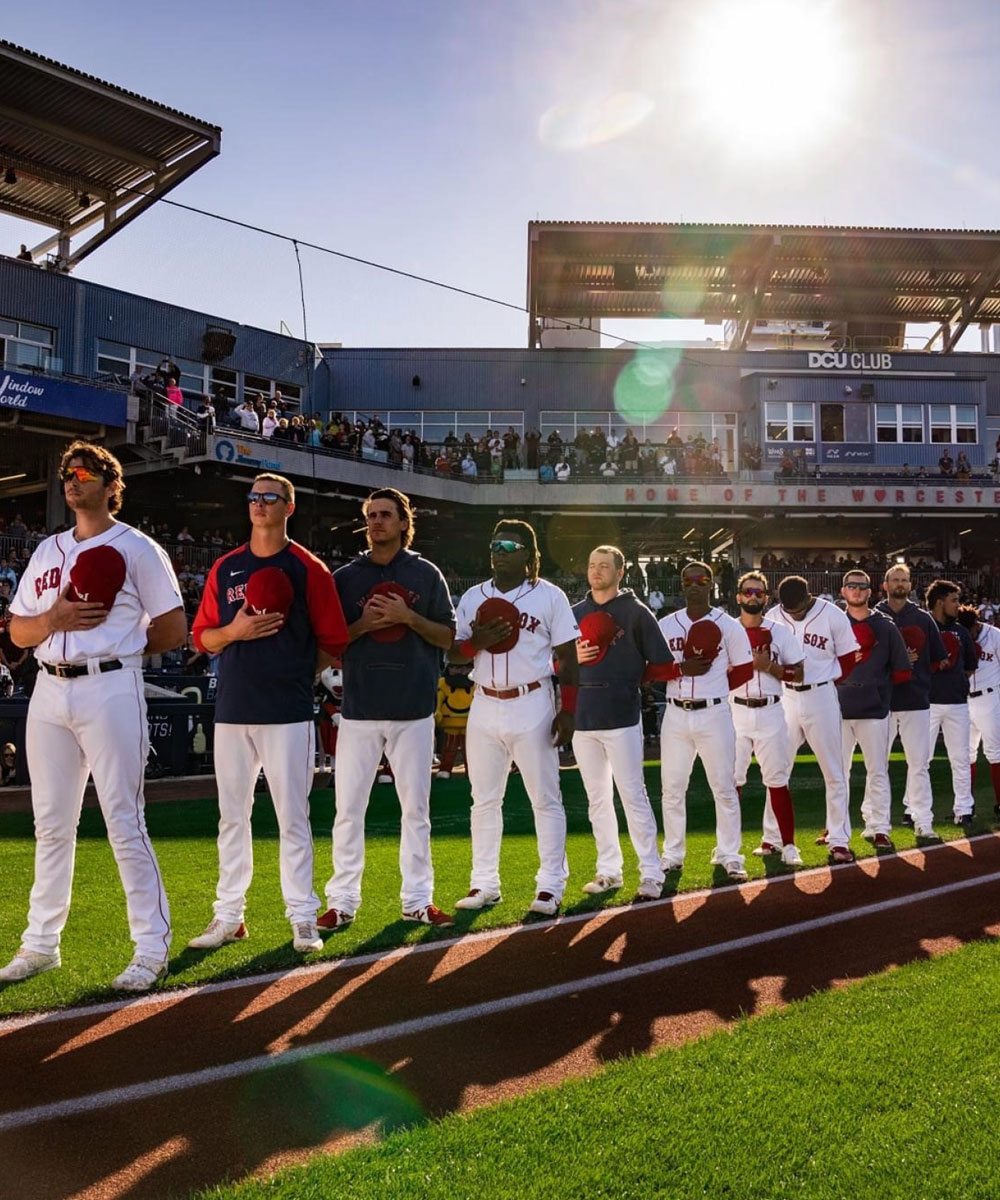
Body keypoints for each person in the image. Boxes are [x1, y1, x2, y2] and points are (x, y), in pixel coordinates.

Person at [0, 441, 186, 991]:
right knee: (51, 826)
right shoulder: (46, 549)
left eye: (83, 473)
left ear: (111, 485)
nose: (71, 480)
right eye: (66, 474)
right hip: (49, 690)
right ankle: (40, 945)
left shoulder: (138, 547)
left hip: (110, 685)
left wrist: (123, 644)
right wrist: (54, 617)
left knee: (124, 822)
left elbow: (174, 629)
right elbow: (16, 632)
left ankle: (151, 948)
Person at [188, 473, 349, 954]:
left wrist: (298, 675)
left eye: (269, 498)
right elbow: (203, 638)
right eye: (253, 497)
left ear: (289, 506)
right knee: (231, 817)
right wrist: (235, 631)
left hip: (288, 711)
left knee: (292, 818)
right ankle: (229, 917)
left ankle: (302, 916)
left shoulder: (308, 568)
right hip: (233, 709)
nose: (259, 505)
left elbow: (334, 641)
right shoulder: (226, 567)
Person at [319, 488, 457, 929]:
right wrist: (366, 623)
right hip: (358, 708)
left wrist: (408, 617)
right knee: (348, 810)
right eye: (371, 515)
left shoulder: (426, 574)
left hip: (413, 707)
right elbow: (330, 641)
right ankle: (342, 902)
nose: (376, 521)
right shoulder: (345, 577)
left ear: (403, 522)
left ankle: (417, 899)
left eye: (385, 515)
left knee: (416, 810)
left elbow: (448, 638)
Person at [451, 520, 579, 916]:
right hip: (484, 703)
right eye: (495, 544)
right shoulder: (474, 596)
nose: (499, 551)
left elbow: (569, 658)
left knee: (544, 798)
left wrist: (568, 710)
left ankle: (551, 885)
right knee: (484, 800)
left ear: (528, 553)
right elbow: (455, 654)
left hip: (532, 700)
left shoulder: (549, 596)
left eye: (508, 545)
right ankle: (485, 883)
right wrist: (477, 642)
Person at [572, 545, 673, 900]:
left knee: (633, 795)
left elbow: (663, 664)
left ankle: (651, 872)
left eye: (604, 565)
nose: (596, 570)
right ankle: (608, 871)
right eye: (591, 564)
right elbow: (552, 665)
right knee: (597, 798)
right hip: (582, 718)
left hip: (622, 716)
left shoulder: (636, 612)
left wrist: (634, 680)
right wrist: (570, 658)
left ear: (620, 571)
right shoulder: (573, 613)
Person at [654, 562, 754, 880]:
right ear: (681, 585)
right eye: (689, 580)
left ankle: (730, 854)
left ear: (711, 584)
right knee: (671, 789)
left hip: (714, 713)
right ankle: (672, 855)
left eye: (702, 579)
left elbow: (745, 669)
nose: (695, 584)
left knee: (724, 788)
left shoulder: (729, 625)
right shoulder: (666, 624)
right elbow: (650, 671)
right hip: (675, 713)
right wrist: (681, 670)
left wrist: (716, 688)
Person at [770, 575, 860, 864]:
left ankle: (838, 840)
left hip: (821, 696)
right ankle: (772, 838)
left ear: (809, 596)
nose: (793, 613)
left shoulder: (832, 614)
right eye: (789, 608)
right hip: (786, 697)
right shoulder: (773, 616)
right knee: (777, 770)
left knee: (834, 771)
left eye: (797, 607)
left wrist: (824, 681)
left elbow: (847, 660)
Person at [731, 572, 805, 865]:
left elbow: (798, 673)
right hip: (734, 710)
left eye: (759, 593)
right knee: (730, 782)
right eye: (748, 591)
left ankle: (788, 845)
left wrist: (769, 666)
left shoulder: (780, 631)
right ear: (738, 596)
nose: (753, 596)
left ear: (766, 597)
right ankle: (728, 849)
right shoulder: (726, 630)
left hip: (772, 709)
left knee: (777, 780)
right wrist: (746, 666)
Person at [837, 570, 914, 850]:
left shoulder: (886, 626)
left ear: (871, 592)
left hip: (875, 710)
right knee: (837, 774)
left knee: (878, 771)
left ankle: (880, 828)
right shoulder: (833, 624)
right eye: (851, 585)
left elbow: (902, 670)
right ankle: (837, 831)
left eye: (862, 586)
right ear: (843, 591)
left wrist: (879, 690)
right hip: (838, 711)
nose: (856, 590)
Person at [875, 563, 949, 839]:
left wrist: (911, 666)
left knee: (919, 763)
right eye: (895, 579)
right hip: (880, 702)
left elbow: (937, 660)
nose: (899, 584)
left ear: (910, 585)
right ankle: (875, 824)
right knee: (877, 765)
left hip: (915, 700)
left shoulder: (923, 618)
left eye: (904, 580)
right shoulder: (874, 616)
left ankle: (923, 821)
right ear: (885, 584)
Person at [926, 579, 978, 828]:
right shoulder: (924, 627)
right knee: (919, 760)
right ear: (940, 602)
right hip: (926, 704)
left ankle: (964, 809)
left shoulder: (962, 632)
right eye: (954, 600)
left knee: (961, 758)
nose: (958, 605)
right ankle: (915, 809)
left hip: (957, 702)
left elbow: (969, 667)